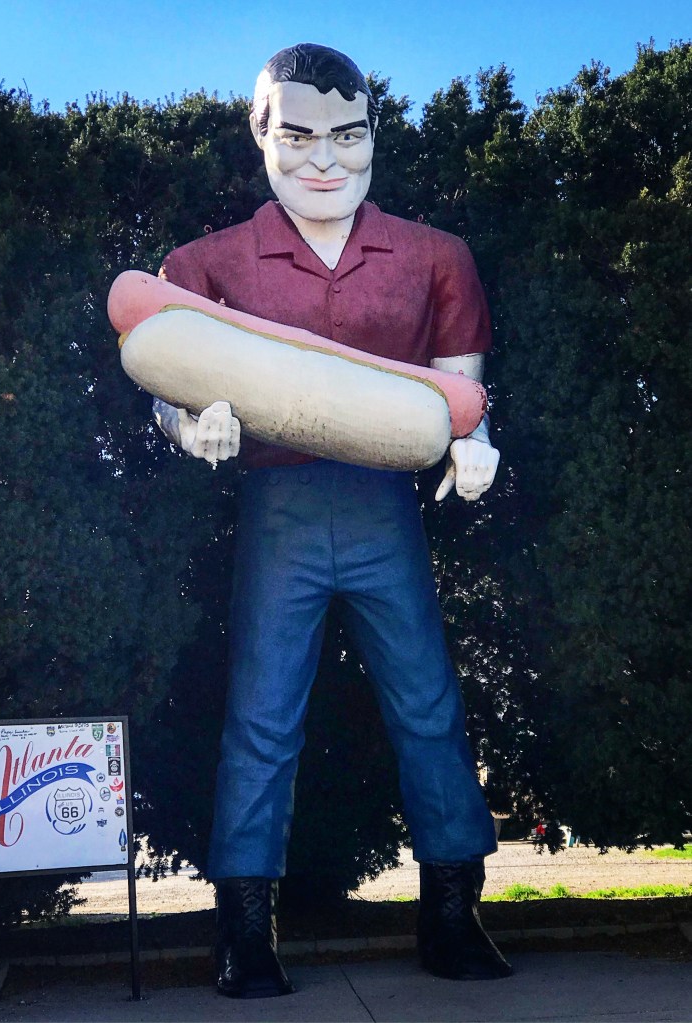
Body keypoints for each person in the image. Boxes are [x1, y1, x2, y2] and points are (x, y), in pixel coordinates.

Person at [151, 43, 511, 996]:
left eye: (346, 136)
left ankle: (452, 911)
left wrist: (471, 444)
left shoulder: (434, 257)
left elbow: (460, 395)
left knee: (427, 703)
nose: (323, 159)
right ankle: (245, 930)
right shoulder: (206, 262)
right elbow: (165, 377)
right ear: (260, 135)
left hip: (385, 503)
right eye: (298, 135)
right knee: (261, 712)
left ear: (373, 134)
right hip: (280, 507)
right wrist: (190, 425)